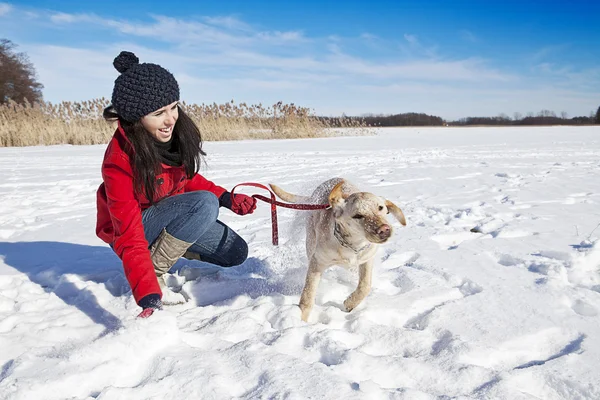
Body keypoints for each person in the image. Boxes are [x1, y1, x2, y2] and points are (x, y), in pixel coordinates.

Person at [96, 51, 257, 318]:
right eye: (159, 113)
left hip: (169, 215)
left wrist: (226, 197)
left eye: (173, 107)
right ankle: (155, 270)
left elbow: (186, 178)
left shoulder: (173, 136)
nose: (171, 118)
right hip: (133, 230)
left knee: (235, 252)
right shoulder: (119, 160)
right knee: (204, 203)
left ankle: (166, 252)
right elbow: (127, 230)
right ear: (135, 117)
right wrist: (147, 294)